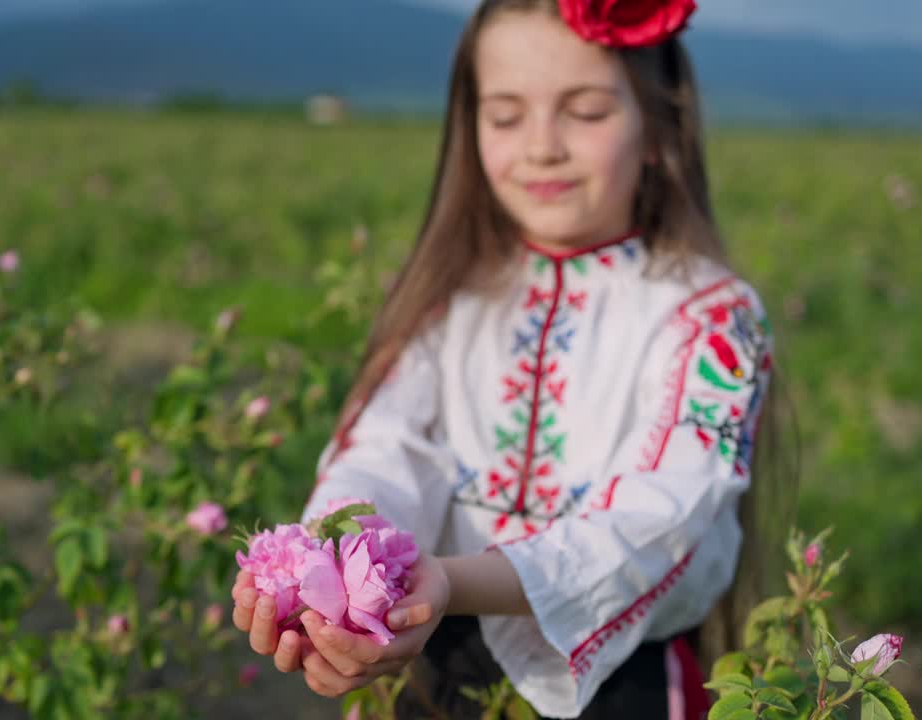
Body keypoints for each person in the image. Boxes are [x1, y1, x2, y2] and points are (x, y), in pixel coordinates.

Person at [232, 0, 795, 717]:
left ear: (658, 125)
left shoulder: (712, 317)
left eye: (585, 112)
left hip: (623, 683)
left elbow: (660, 516)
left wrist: (453, 581)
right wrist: (327, 567)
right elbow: (389, 448)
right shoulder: (452, 296)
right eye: (504, 116)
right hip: (427, 662)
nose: (541, 146)